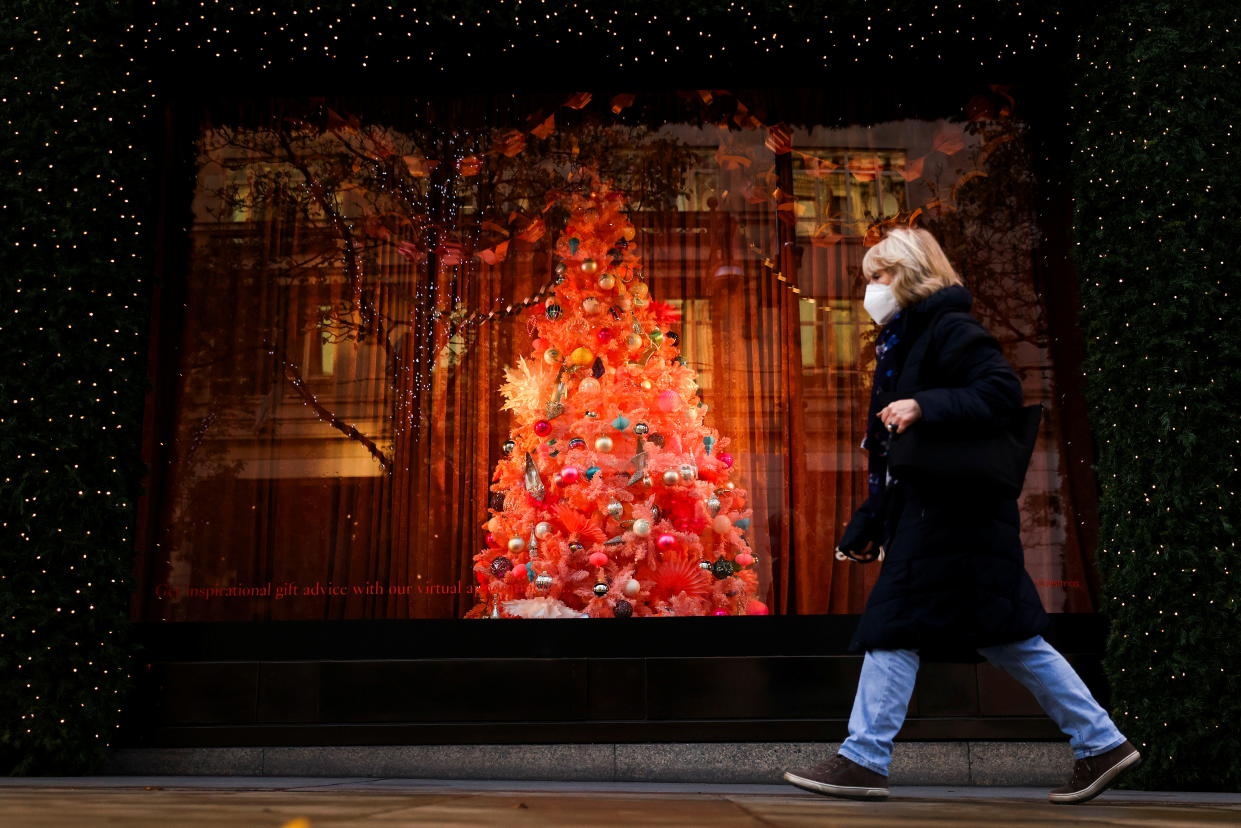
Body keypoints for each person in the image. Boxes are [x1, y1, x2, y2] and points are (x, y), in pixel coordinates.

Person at [781, 227, 1140, 805]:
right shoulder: (905, 340)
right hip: (949, 516)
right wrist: (868, 526)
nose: (871, 289)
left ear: (912, 274)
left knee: (893, 627)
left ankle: (864, 758)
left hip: (952, 517)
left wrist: (926, 403)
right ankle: (1101, 743)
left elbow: (999, 392)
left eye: (881, 276)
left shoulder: (947, 329)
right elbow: (899, 455)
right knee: (1009, 636)